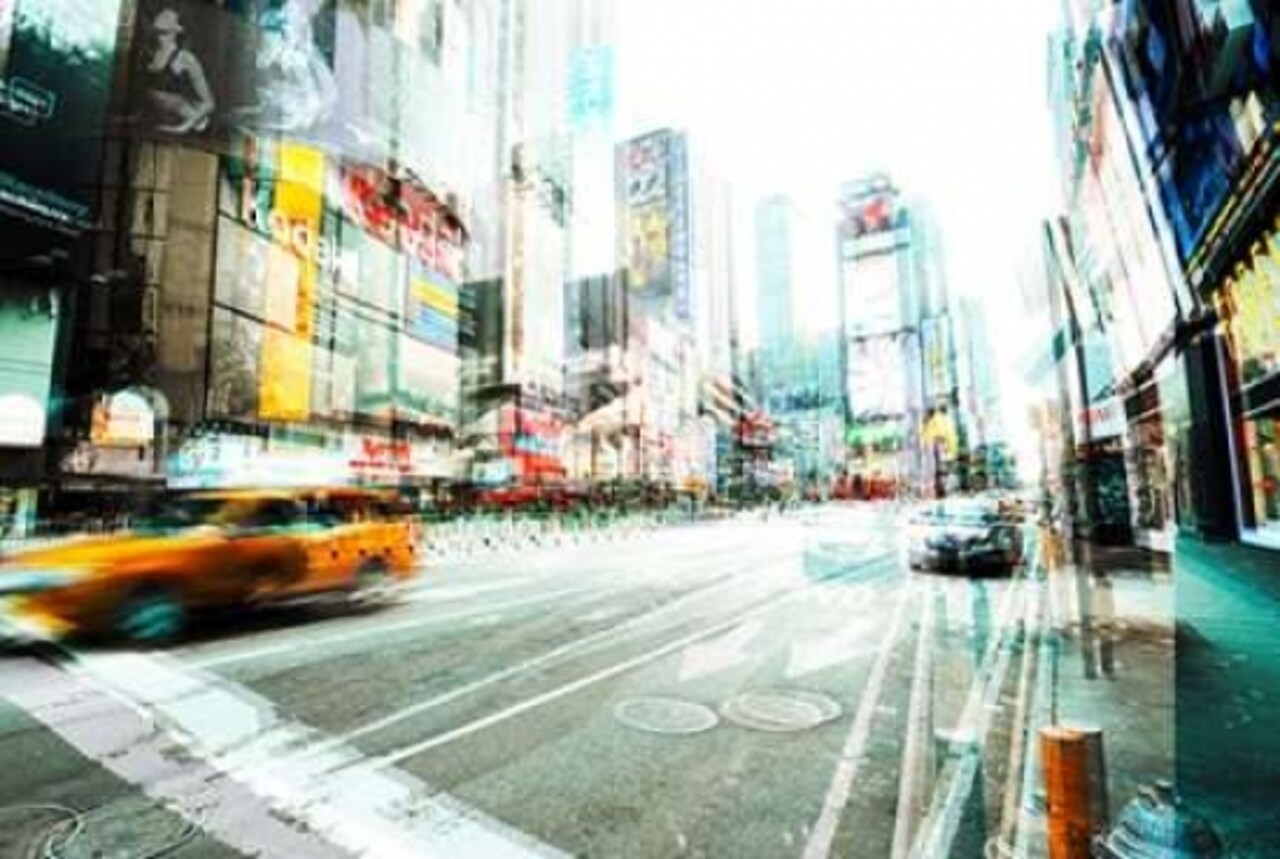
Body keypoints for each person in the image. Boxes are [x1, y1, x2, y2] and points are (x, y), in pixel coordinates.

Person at [142, 8, 215, 134]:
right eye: (162, 14)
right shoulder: (150, 52)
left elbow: (210, 104)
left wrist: (182, 128)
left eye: (167, 17)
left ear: (176, 29)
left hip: (192, 126)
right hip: (157, 121)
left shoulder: (186, 58)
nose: (161, 16)